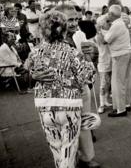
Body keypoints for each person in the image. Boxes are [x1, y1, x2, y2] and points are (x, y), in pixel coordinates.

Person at [27, 10, 95, 168]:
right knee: (69, 149)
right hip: (69, 106)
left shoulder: (35, 52)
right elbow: (87, 78)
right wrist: (90, 61)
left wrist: (34, 74)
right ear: (63, 30)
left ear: (42, 29)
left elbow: (29, 72)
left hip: (45, 106)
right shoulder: (72, 53)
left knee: (56, 148)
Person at [55, 4, 100, 168]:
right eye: (70, 20)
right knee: (67, 128)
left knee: (85, 123)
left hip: (82, 87)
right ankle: (69, 160)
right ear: (59, 20)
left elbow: (89, 65)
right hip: (64, 92)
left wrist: (91, 56)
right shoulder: (53, 39)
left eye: (76, 19)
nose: (74, 23)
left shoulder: (79, 36)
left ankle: (87, 158)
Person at [100, 4, 131, 117]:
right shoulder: (120, 23)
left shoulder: (116, 25)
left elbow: (105, 40)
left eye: (108, 13)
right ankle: (126, 104)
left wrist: (101, 30)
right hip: (126, 53)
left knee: (117, 83)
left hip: (119, 55)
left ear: (112, 14)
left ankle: (120, 109)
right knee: (125, 80)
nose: (107, 15)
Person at [95, 15, 112, 114]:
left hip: (111, 60)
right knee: (103, 84)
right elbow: (103, 42)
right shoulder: (98, 34)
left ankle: (105, 101)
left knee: (108, 83)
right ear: (102, 23)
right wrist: (98, 31)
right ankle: (101, 104)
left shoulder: (111, 31)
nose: (110, 23)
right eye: (107, 21)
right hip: (103, 61)